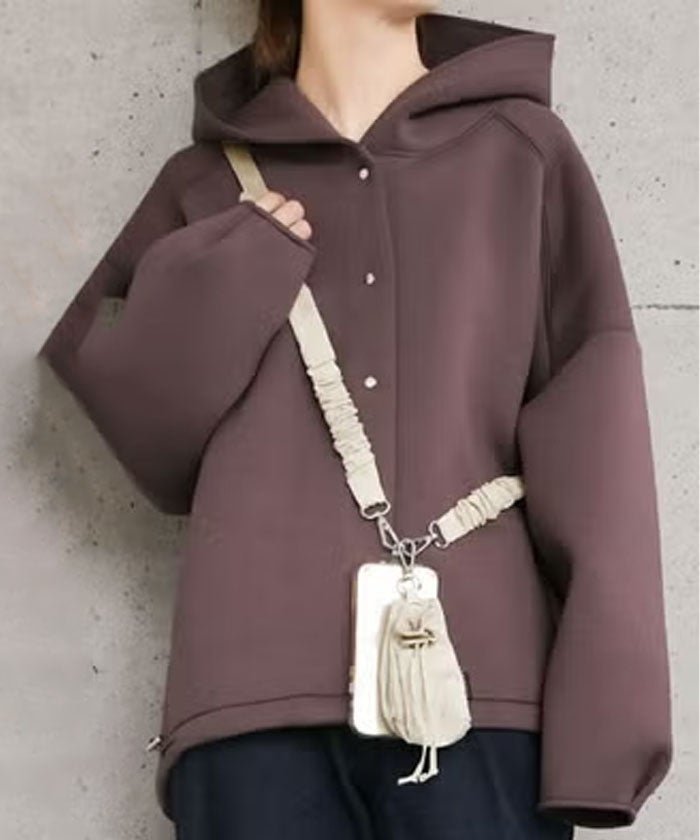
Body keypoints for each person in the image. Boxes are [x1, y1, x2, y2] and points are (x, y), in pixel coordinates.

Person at [37, 1, 674, 838]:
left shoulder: (524, 152)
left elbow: (599, 441)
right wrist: (227, 282)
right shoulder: (202, 186)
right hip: (249, 705)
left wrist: (610, 727)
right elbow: (147, 442)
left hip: (478, 702)